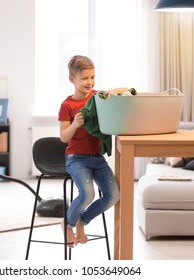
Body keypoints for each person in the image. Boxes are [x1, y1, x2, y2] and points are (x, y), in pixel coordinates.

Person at [58, 55, 128, 247]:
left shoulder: (98, 98)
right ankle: (67, 225)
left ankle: (82, 221)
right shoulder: (67, 106)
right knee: (87, 194)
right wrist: (74, 124)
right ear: (72, 79)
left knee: (113, 195)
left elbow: (114, 93)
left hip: (97, 159)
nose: (89, 82)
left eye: (92, 77)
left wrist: (129, 90)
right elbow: (64, 137)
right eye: (84, 78)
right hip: (76, 159)